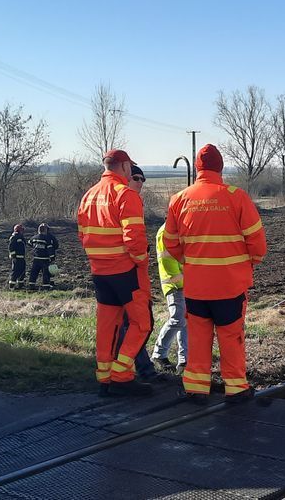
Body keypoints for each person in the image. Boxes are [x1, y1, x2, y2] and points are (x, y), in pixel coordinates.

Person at [162, 144, 267, 402]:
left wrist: (193, 263)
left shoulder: (179, 199)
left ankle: (196, 389)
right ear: (220, 167)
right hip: (230, 286)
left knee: (197, 339)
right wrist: (246, 264)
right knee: (231, 337)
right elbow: (258, 245)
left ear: (197, 168)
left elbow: (170, 243)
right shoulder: (237, 197)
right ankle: (236, 389)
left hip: (197, 288)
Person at [77, 149, 152, 396]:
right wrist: (141, 262)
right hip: (125, 271)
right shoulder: (125, 194)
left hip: (100, 272)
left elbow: (82, 235)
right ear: (123, 166)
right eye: (130, 166)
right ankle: (122, 375)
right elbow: (134, 239)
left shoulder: (88, 195)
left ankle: (105, 378)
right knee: (142, 323)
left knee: (107, 325)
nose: (132, 171)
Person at [116, 164, 158, 381]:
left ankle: (141, 366)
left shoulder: (130, 200)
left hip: (129, 275)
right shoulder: (125, 199)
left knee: (138, 324)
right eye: (136, 177)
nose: (140, 182)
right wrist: (141, 257)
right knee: (139, 323)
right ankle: (134, 368)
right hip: (129, 275)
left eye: (143, 179)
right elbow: (131, 240)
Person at [151, 224, 189, 373]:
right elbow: (168, 262)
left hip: (183, 282)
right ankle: (158, 355)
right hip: (174, 284)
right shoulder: (166, 232)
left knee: (185, 321)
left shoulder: (178, 229)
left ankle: (185, 361)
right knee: (178, 319)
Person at [27, 223, 59, 291]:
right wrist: (52, 257)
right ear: (46, 230)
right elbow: (50, 248)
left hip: (36, 258)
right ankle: (46, 286)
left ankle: (31, 285)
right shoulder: (47, 239)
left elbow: (29, 243)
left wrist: (36, 247)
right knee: (45, 273)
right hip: (44, 259)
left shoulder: (34, 237)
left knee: (34, 272)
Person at [7, 224, 29, 289]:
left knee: (22, 271)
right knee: (16, 271)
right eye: (22, 230)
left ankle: (21, 285)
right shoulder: (15, 237)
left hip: (21, 257)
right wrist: (14, 256)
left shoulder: (20, 237)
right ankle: (12, 286)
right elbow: (11, 247)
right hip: (17, 258)